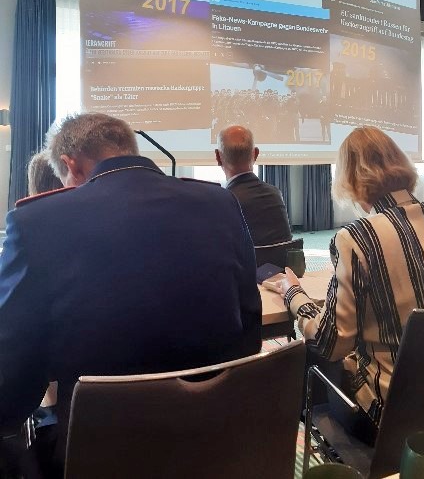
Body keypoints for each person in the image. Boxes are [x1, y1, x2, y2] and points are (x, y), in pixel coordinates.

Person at [0, 113, 261, 474]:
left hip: (97, 455)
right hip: (215, 444)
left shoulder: (35, 223)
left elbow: (12, 371)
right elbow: (249, 329)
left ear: (70, 165)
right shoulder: (220, 203)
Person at [275, 126, 424, 442]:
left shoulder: (356, 239)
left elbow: (331, 342)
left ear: (351, 180)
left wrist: (294, 294)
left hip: (394, 417)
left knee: (311, 355)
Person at [215, 125, 292, 246]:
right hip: (280, 260)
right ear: (255, 154)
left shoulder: (222, 202)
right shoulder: (275, 194)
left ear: (218, 157)